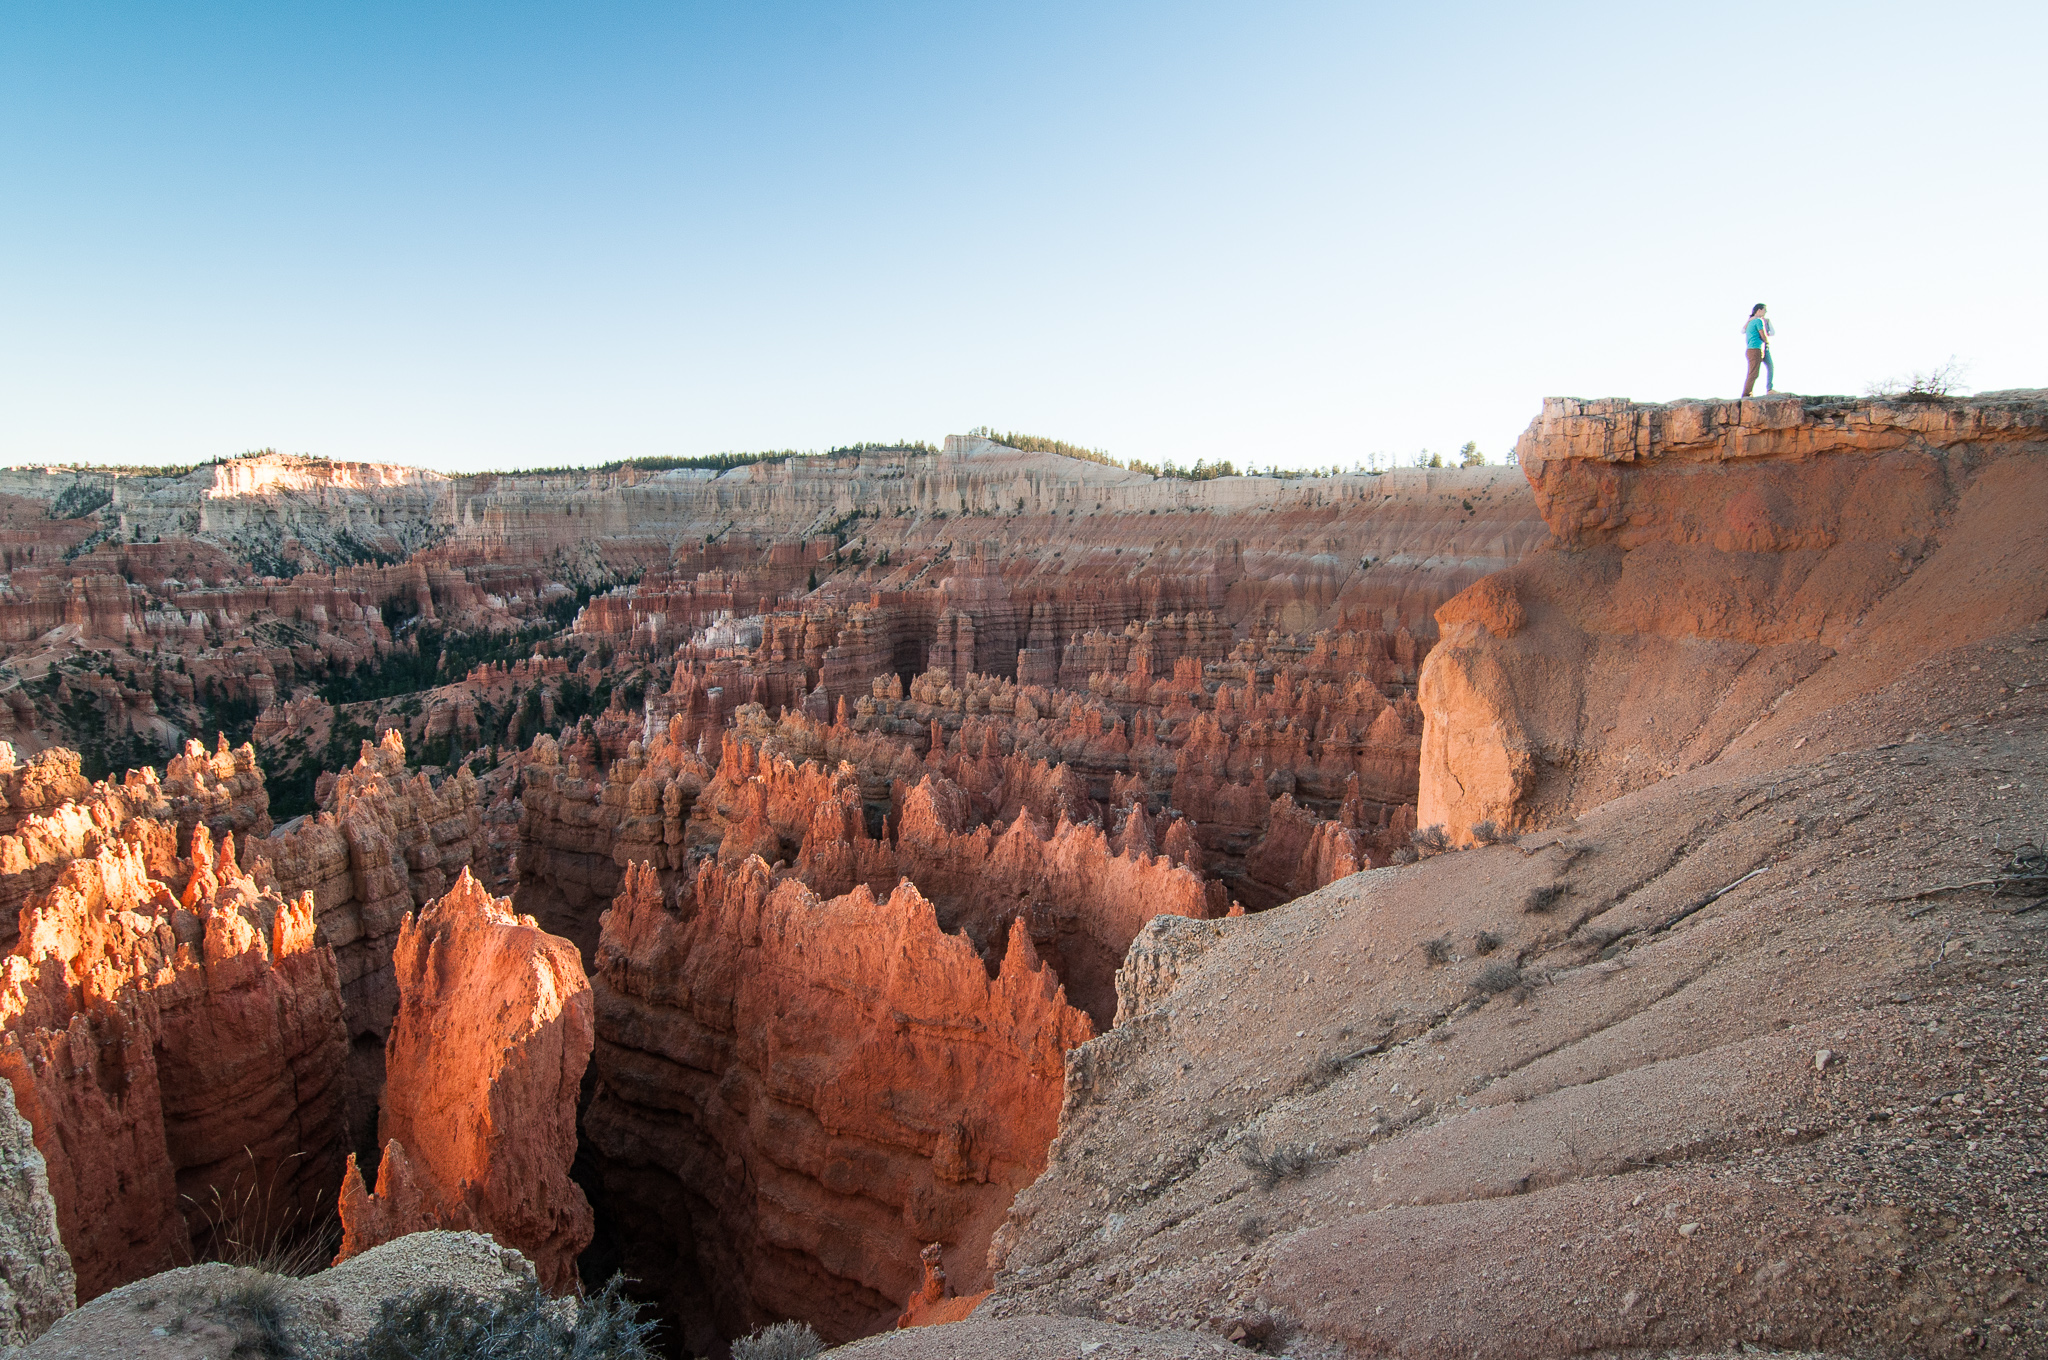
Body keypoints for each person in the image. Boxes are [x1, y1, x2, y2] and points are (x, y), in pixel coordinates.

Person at [1742, 303, 1776, 396]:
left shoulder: (1754, 321)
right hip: (1755, 349)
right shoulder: (1758, 321)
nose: (1766, 312)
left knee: (1769, 366)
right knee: (1753, 373)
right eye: (1764, 310)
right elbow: (1763, 334)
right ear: (1759, 310)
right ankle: (1746, 394)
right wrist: (1766, 341)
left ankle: (1769, 389)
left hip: (1759, 349)